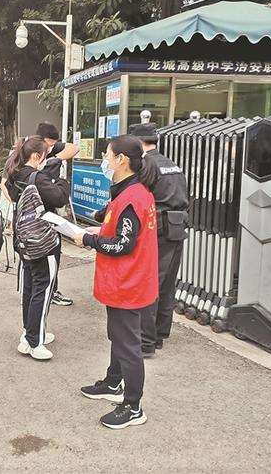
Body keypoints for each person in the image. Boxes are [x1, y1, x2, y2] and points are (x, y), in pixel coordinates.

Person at [73, 135, 159, 429]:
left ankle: (133, 405)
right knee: (120, 338)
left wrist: (88, 240)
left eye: (107, 156)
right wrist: (100, 225)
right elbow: (120, 226)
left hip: (128, 282)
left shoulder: (132, 197)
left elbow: (123, 244)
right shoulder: (132, 192)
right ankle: (113, 382)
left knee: (128, 344)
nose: (105, 161)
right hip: (128, 281)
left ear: (122, 160)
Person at [6, 135, 70, 361]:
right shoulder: (38, 178)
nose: (47, 158)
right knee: (43, 289)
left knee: (31, 287)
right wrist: (61, 180)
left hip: (24, 240)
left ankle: (29, 333)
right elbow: (60, 198)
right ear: (36, 156)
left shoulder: (14, 174)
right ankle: (35, 341)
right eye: (45, 154)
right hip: (43, 242)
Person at [128, 123, 188, 356]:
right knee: (167, 283)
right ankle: (160, 334)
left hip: (157, 228)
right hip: (177, 226)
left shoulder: (146, 165)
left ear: (137, 142)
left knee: (150, 282)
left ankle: (146, 341)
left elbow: (138, 198)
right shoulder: (172, 164)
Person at [34, 122, 79, 306]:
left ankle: (51, 290)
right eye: (48, 144)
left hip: (50, 210)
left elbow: (74, 148)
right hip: (31, 212)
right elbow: (6, 181)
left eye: (53, 144)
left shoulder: (51, 152)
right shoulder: (25, 150)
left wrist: (55, 158)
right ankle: (33, 292)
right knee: (31, 254)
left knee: (52, 251)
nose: (51, 147)